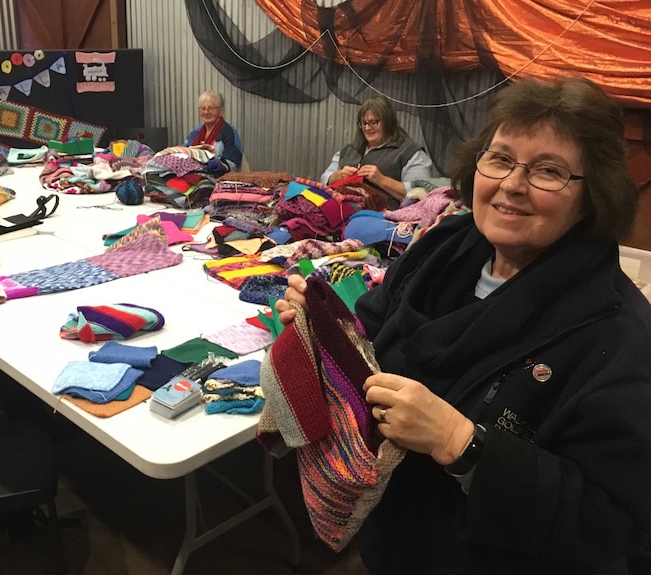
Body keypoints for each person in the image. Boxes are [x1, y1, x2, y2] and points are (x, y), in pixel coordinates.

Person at [277, 77, 651, 573]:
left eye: (548, 171)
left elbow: (615, 519)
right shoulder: (439, 251)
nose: (512, 185)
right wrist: (323, 327)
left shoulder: (617, 334)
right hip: (395, 544)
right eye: (499, 159)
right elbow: (368, 333)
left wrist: (462, 444)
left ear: (592, 194)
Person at [320, 95, 433, 210]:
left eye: (373, 122)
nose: (367, 128)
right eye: (364, 123)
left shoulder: (411, 153)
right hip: (341, 213)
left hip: (384, 219)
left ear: (388, 122)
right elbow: (324, 179)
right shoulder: (349, 150)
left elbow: (420, 195)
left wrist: (382, 180)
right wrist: (336, 176)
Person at [183, 91, 244, 172]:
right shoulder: (196, 132)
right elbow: (183, 153)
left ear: (221, 111)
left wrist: (207, 166)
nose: (206, 112)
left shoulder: (229, 132)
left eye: (211, 108)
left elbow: (232, 164)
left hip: (217, 179)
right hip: (194, 175)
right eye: (203, 108)